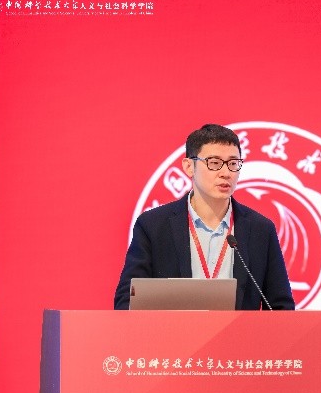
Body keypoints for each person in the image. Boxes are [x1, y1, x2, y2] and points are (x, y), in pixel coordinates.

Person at [114, 124, 295, 310]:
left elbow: (281, 307)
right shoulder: (153, 226)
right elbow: (127, 302)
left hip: (239, 330)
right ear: (189, 166)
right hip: (173, 329)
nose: (226, 173)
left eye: (233, 164)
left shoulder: (260, 230)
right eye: (214, 163)